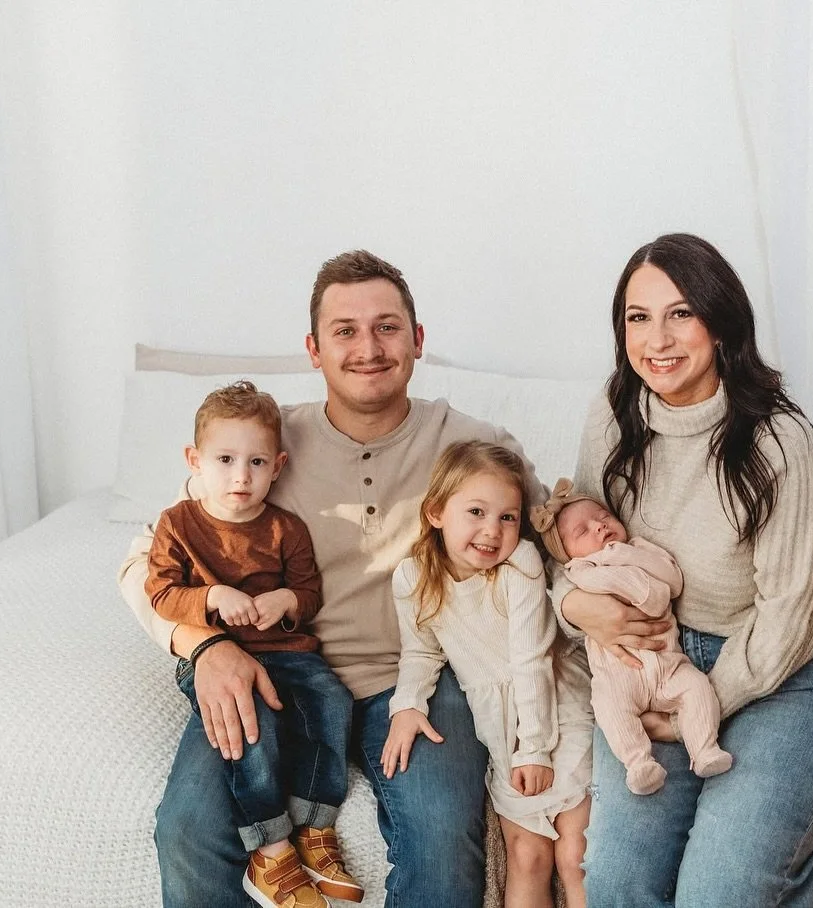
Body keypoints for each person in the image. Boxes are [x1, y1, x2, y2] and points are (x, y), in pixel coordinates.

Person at [118, 249, 545, 908]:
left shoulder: (468, 444)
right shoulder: (262, 447)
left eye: (386, 327)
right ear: (314, 350)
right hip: (273, 670)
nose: (368, 348)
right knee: (187, 830)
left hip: (416, 678)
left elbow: (550, 533)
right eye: (345, 331)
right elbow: (143, 562)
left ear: (417, 339)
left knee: (442, 840)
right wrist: (204, 646)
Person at [555, 232, 813, 906]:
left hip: (788, 675)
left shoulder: (779, 440)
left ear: (721, 323)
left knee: (720, 890)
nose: (658, 340)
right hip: (658, 663)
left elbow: (792, 616)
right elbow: (578, 542)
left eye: (681, 313)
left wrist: (699, 705)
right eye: (639, 317)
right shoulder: (613, 415)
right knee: (617, 884)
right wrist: (572, 606)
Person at [145, 380, 360, 907]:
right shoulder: (178, 524)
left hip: (289, 653)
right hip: (218, 656)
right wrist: (212, 597)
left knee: (333, 701)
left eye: (257, 462)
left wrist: (286, 600)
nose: (241, 476)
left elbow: (308, 592)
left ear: (278, 466)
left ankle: (314, 826)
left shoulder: (287, 528)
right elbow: (160, 593)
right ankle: (271, 849)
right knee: (251, 724)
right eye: (225, 460)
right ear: (194, 461)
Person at [381, 442, 592, 908]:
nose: (492, 531)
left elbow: (532, 660)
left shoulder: (520, 565)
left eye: (507, 517)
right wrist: (408, 704)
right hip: (499, 727)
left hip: (556, 708)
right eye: (476, 512)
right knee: (527, 857)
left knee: (574, 856)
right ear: (436, 512)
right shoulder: (413, 577)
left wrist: (534, 749)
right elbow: (421, 651)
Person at [531, 478, 731, 796]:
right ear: (566, 555)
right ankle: (639, 764)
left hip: (668, 666)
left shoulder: (639, 550)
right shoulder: (578, 574)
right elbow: (633, 591)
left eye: (603, 517)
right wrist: (615, 568)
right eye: (583, 531)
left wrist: (623, 556)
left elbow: (670, 585)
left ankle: (705, 749)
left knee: (696, 687)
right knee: (607, 707)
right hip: (619, 679)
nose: (599, 526)